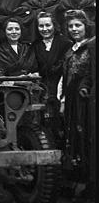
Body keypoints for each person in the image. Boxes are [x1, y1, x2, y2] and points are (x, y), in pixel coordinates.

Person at [60, 9, 94, 202]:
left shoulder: (91, 47)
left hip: (85, 100)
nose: (74, 29)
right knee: (73, 136)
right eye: (71, 26)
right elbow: (65, 78)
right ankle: (75, 181)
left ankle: (88, 185)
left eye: (78, 25)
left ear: (85, 26)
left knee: (85, 137)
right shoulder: (70, 50)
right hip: (72, 100)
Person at [31, 11, 71, 144]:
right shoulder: (36, 45)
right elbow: (34, 67)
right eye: (41, 26)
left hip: (62, 87)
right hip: (43, 89)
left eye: (48, 25)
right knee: (45, 125)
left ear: (54, 25)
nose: (45, 29)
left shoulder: (65, 43)